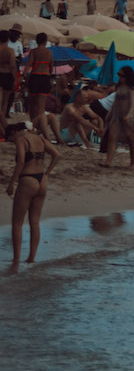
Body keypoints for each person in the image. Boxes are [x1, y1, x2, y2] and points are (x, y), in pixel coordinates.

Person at [7, 114, 59, 268]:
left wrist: (11, 183)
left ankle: (16, 260)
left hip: (27, 180)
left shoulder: (21, 139)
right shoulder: (40, 138)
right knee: (34, 222)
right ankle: (31, 258)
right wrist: (48, 172)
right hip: (42, 180)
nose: (11, 142)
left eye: (9, 139)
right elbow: (57, 155)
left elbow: (21, 161)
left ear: (15, 133)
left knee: (17, 223)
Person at [101, 63, 134, 168]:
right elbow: (115, 103)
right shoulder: (118, 88)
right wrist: (109, 114)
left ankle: (133, 163)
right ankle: (108, 161)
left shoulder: (132, 88)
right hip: (117, 115)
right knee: (112, 138)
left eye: (122, 75)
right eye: (119, 75)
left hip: (129, 117)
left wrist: (129, 115)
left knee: (131, 140)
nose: (120, 77)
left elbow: (133, 104)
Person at [23, 34, 56, 123]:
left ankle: (33, 123)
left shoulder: (33, 51)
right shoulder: (49, 53)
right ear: (45, 41)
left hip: (35, 77)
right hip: (45, 78)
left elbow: (29, 64)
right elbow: (51, 67)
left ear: (37, 41)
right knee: (41, 106)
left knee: (33, 104)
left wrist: (23, 75)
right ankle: (40, 126)